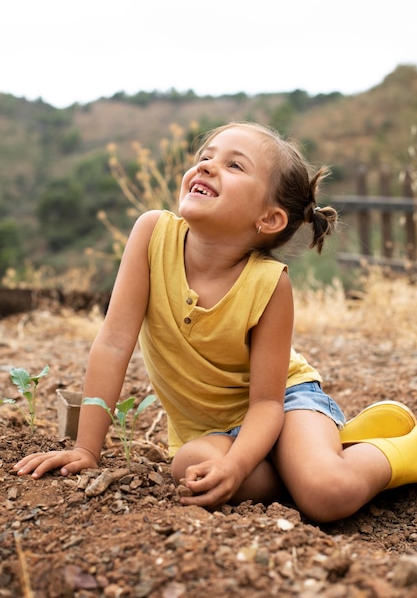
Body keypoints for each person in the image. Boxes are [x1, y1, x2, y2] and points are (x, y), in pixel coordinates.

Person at [13, 122, 417, 523]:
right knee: (191, 469)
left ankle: (396, 451)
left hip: (285, 405)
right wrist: (87, 448)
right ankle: (310, 456)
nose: (206, 166)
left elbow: (266, 402)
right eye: (205, 157)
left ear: (269, 219)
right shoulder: (152, 235)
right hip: (215, 435)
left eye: (234, 166)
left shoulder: (268, 284)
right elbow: (114, 343)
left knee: (326, 496)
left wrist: (240, 466)